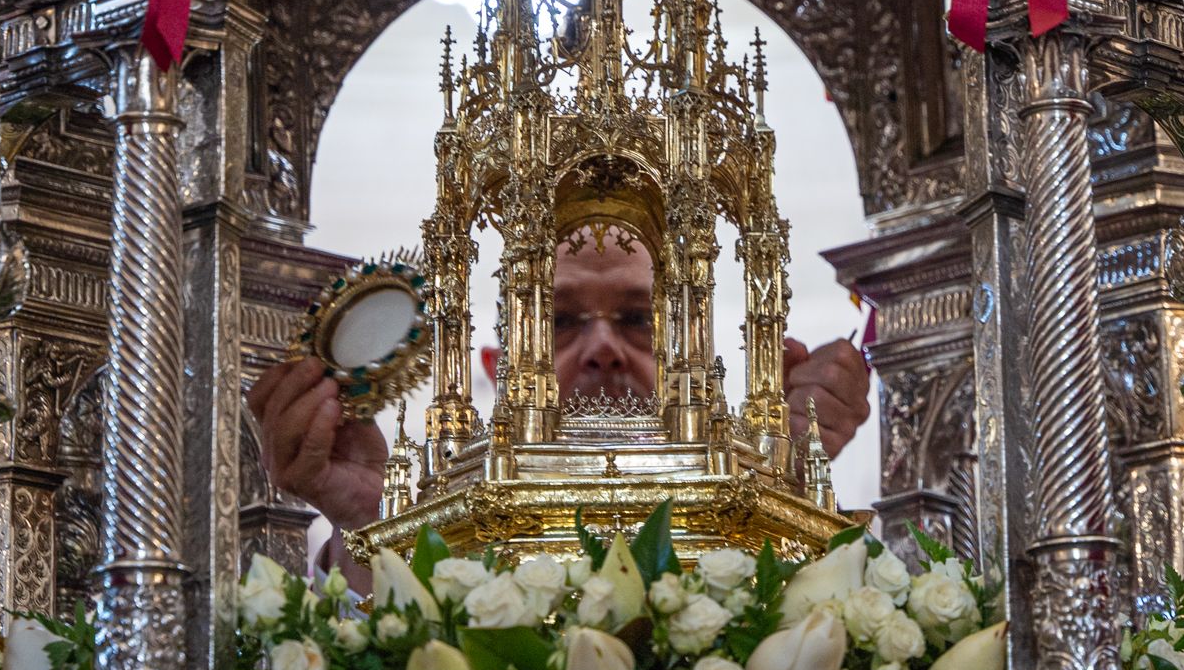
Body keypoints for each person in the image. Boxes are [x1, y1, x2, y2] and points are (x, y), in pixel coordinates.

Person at [247, 232, 871, 579]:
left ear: (693, 353)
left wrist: (784, 489)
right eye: (560, 321)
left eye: (638, 319)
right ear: (498, 363)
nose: (603, 350)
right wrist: (373, 527)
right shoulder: (440, 514)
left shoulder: (757, 483)